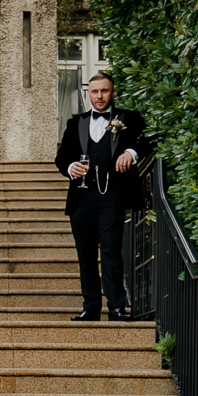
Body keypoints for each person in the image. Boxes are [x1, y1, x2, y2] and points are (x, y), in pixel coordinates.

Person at [55, 72, 151, 321]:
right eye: (95, 91)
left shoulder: (129, 118)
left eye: (104, 91)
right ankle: (91, 308)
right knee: (85, 255)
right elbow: (62, 156)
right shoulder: (75, 123)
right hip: (82, 199)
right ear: (89, 93)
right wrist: (69, 168)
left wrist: (131, 152)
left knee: (111, 252)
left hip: (114, 196)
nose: (99, 96)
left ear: (113, 92)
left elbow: (148, 140)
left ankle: (117, 308)